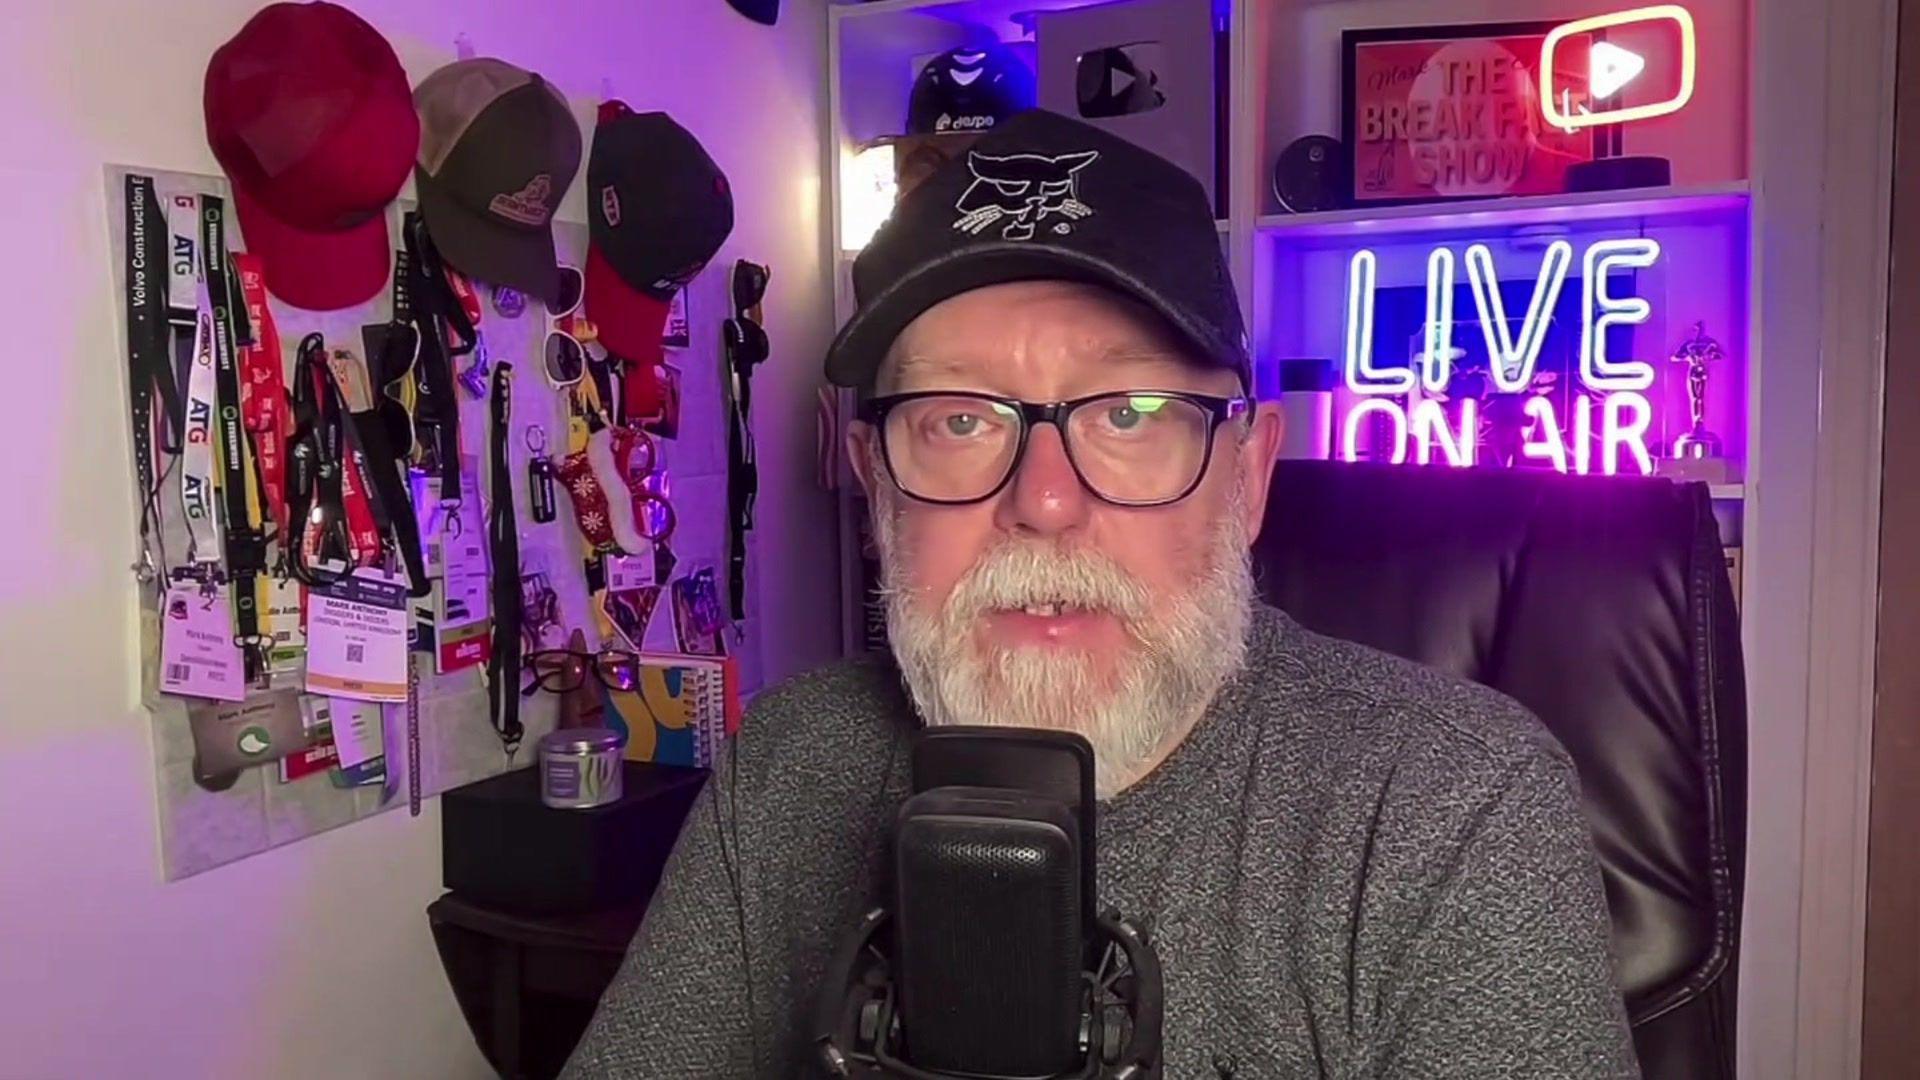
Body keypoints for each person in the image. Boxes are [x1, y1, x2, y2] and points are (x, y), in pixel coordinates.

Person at [563, 110, 1637, 1079]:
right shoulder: (791, 765)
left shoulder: (1451, 810)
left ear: (1250, 475)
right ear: (876, 486)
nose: (1043, 500)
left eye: (1128, 413)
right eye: (959, 419)